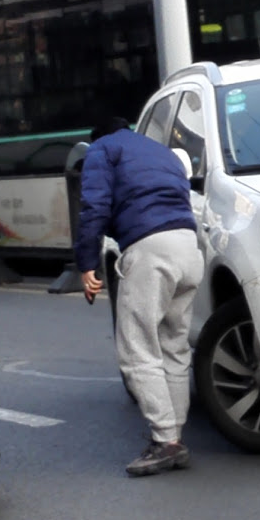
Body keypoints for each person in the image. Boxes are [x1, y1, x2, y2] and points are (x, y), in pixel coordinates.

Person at [74, 117, 204, 477]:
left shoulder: (102, 149)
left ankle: (165, 442)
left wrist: (87, 263)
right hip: (188, 246)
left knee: (137, 347)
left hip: (150, 249)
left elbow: (94, 207)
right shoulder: (161, 152)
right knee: (174, 346)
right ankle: (174, 434)